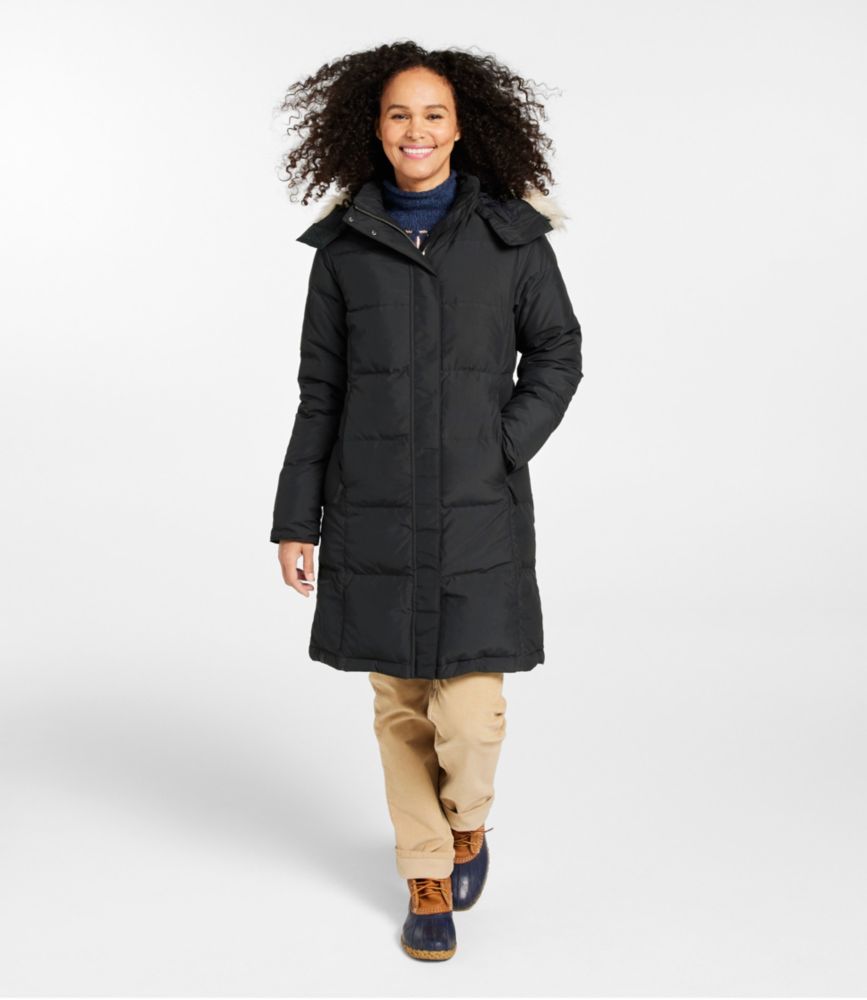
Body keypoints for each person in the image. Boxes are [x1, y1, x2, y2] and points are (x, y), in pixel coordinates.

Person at [270, 41, 583, 961]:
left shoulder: (510, 238)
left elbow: (557, 353)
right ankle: (425, 876)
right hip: (369, 512)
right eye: (399, 114)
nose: (416, 130)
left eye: (433, 115)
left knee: (470, 715)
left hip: (477, 511)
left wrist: (502, 443)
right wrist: (295, 520)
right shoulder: (343, 251)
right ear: (373, 128)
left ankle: (466, 824)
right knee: (401, 707)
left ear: (460, 127)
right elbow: (320, 394)